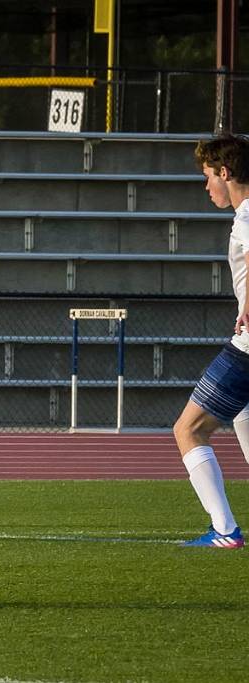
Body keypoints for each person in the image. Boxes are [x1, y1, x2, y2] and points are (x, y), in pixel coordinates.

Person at [171, 134, 249, 550]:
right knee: (242, 417)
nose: (206, 186)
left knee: (188, 430)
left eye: (207, 176)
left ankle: (224, 530)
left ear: (225, 172)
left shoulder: (247, 214)